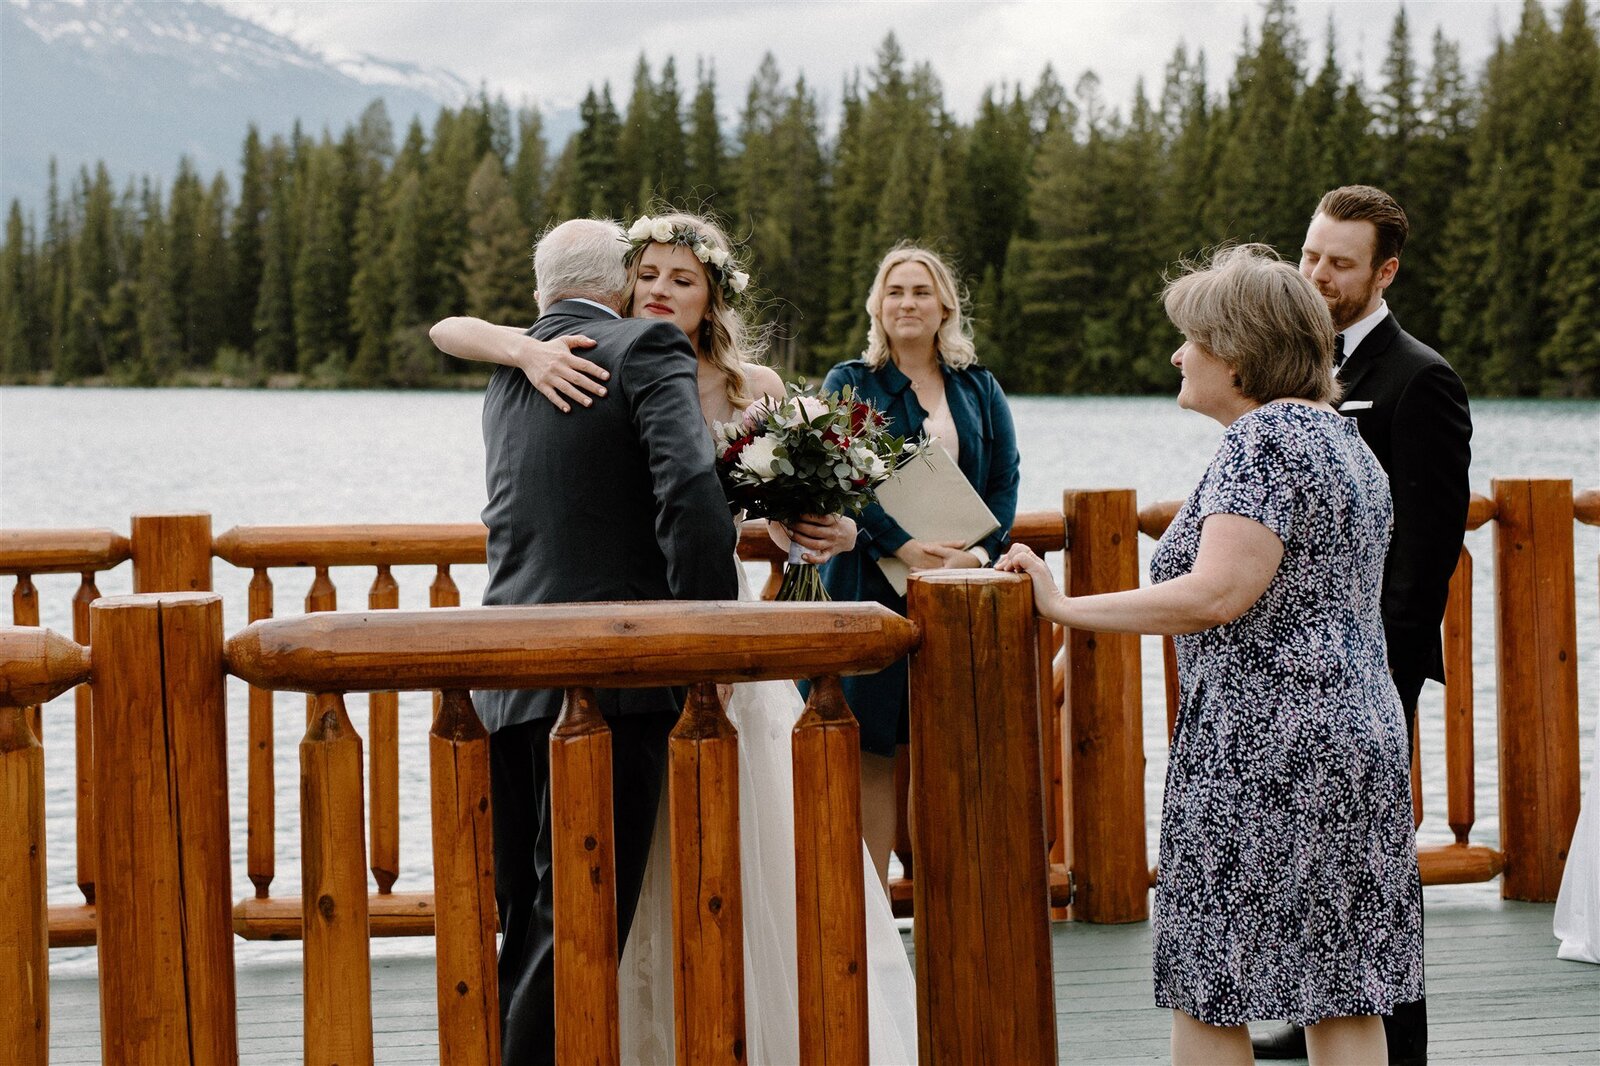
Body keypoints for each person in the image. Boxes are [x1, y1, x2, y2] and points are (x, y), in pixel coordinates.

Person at [434, 211, 919, 1064]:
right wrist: (522, 346)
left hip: (684, 635)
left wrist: (831, 532)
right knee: (589, 889)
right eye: (647, 275)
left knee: (679, 871)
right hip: (658, 645)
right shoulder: (563, 356)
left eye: (679, 280)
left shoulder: (743, 382)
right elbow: (454, 328)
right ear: (622, 284)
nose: (659, 290)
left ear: (712, 297)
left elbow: (768, 508)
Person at [998, 244, 1423, 1066]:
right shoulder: (1345, 442)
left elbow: (1219, 593)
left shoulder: (1262, 440)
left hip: (1262, 751)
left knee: (1210, 986)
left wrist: (1062, 606)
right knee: (1344, 991)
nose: (1176, 352)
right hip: (1359, 738)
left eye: (1190, 337)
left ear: (1238, 351)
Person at [472, 217, 739, 1065]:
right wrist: (709, 636)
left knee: (528, 919)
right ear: (624, 280)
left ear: (538, 286)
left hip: (506, 672)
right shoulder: (644, 349)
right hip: (615, 675)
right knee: (581, 921)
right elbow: (693, 496)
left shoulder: (513, 366)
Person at [1253, 184, 1473, 1066]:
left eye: (1339, 263)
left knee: (1375, 872)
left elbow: (1426, 553)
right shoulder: (1282, 367)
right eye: (1310, 255)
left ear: (1384, 271)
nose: (1316, 275)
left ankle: (1400, 1047)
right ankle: (1317, 1024)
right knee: (1305, 855)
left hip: (1370, 670)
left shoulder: (1420, 380)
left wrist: (1388, 676)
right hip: (1288, 664)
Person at [817, 243, 1019, 892]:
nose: (908, 302)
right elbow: (840, 478)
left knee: (942, 752)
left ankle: (944, 909)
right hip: (869, 588)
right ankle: (875, 922)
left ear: (945, 308)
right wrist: (900, 545)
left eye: (921, 292)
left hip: (959, 590)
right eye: (896, 291)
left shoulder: (978, 387)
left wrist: (981, 553)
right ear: (877, 305)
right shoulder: (849, 382)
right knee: (873, 751)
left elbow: (1005, 479)